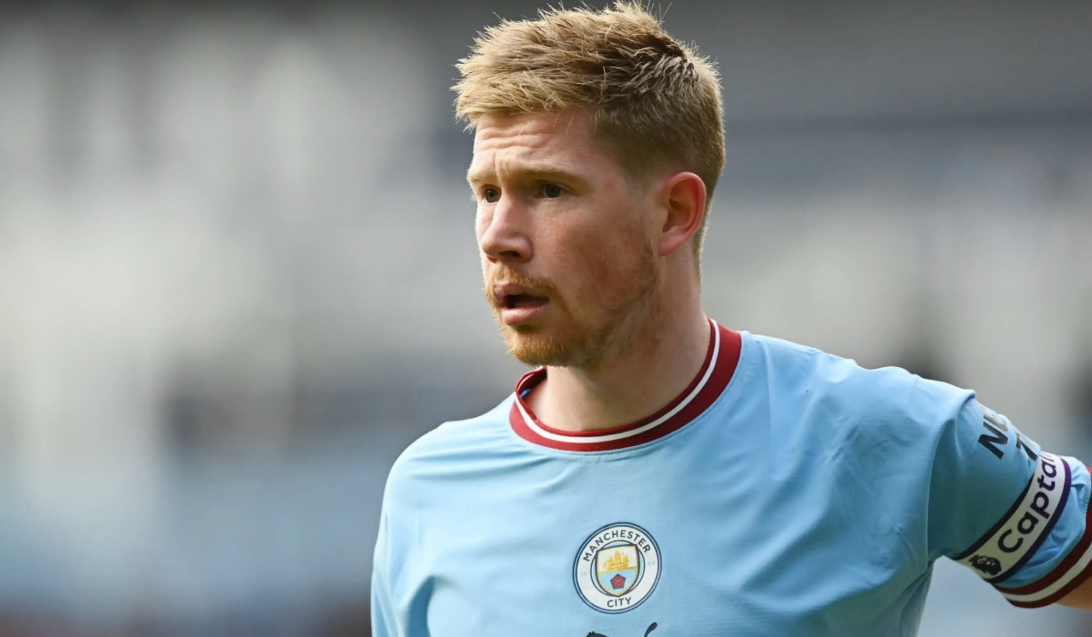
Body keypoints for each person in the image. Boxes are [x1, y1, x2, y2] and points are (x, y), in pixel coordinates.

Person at [370, 3, 1092, 635]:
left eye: (548, 189)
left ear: (674, 212)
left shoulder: (890, 435)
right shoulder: (430, 489)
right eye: (486, 193)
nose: (499, 235)